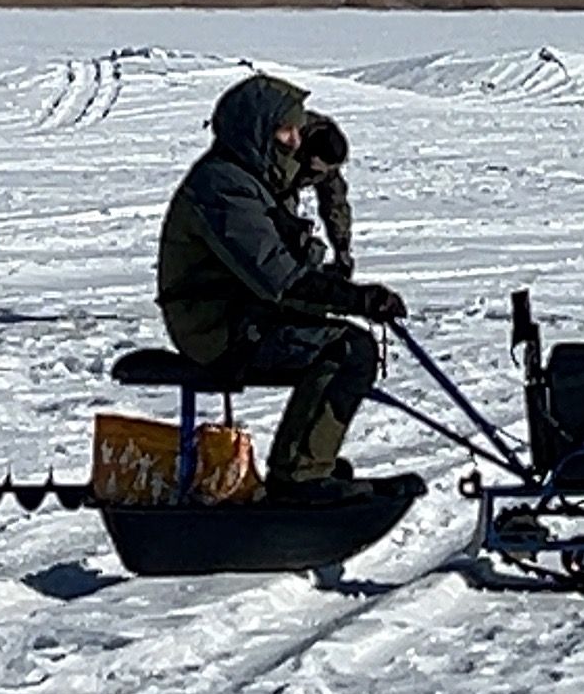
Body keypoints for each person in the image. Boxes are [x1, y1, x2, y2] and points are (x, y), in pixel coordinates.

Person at [156, 74, 416, 506]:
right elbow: (278, 279)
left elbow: (320, 208)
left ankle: (309, 463)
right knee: (347, 350)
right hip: (215, 328)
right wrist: (357, 299)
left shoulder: (255, 176)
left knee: (342, 341)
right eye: (286, 132)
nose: (295, 142)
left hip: (243, 312)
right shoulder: (225, 188)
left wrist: (337, 260)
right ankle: (300, 479)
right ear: (257, 132)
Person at [278, 111, 355, 279]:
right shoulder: (286, 141)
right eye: (322, 168)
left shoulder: (328, 153)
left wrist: (342, 246)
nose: (326, 172)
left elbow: (335, 201)